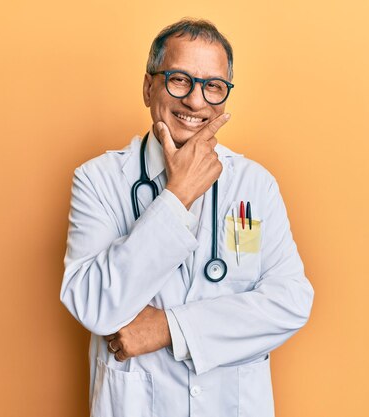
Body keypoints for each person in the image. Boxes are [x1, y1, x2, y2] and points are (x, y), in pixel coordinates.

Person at [60, 18, 314, 417]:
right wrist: (177, 197)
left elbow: (290, 303)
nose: (196, 102)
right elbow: (93, 305)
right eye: (179, 79)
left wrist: (167, 329)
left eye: (213, 86)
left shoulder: (254, 184)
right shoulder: (99, 180)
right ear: (149, 87)